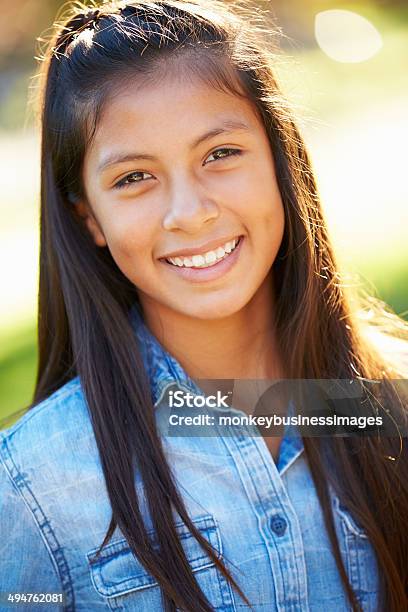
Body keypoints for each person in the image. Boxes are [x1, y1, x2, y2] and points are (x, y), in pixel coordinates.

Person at [0, 1, 407, 610]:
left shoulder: (391, 406)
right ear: (90, 218)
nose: (190, 212)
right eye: (133, 177)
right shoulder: (33, 484)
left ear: (279, 159)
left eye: (220, 154)